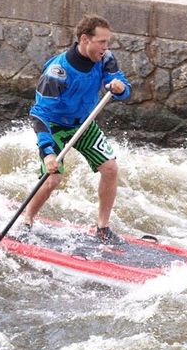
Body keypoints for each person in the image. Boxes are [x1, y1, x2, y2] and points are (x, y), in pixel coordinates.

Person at [23, 14, 131, 241]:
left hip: (84, 124)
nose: (106, 47)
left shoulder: (106, 59)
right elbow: (39, 113)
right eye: (101, 42)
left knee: (110, 169)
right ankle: (27, 220)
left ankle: (102, 228)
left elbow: (122, 86)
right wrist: (47, 152)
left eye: (107, 42)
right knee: (52, 179)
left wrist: (120, 88)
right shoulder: (57, 72)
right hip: (54, 126)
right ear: (85, 39)